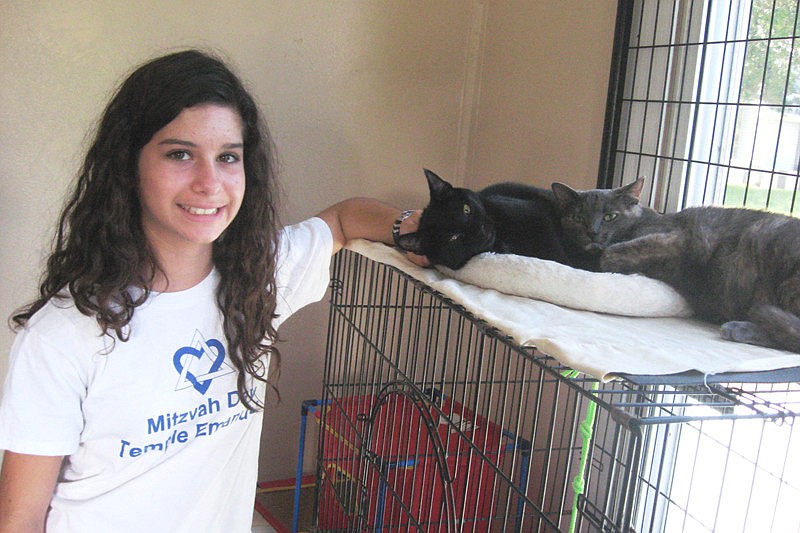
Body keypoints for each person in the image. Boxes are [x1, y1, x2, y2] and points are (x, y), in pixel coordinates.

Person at [0, 49, 426, 532]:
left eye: (228, 157)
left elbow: (345, 219)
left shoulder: (256, 277)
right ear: (129, 165)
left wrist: (411, 229)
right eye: (180, 154)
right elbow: (20, 517)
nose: (210, 183)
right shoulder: (63, 332)